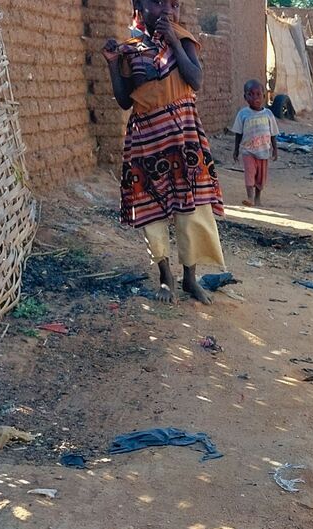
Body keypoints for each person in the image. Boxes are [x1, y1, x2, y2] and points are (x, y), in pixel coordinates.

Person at [102, 0, 224, 305]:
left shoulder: (183, 39)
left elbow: (194, 79)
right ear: (139, 7)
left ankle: (190, 279)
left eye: (175, 4)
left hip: (183, 139)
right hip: (147, 141)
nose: (168, 10)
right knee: (151, 210)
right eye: (158, 3)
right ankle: (166, 277)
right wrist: (112, 64)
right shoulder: (131, 50)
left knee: (191, 209)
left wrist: (173, 42)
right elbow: (124, 100)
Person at [231, 80, 279, 207]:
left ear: (264, 96)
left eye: (258, 94)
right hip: (248, 151)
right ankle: (250, 198)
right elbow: (238, 133)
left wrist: (275, 149)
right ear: (245, 97)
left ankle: (258, 197)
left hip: (263, 151)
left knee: (260, 178)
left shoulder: (268, 114)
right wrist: (236, 150)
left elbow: (273, 133)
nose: (255, 98)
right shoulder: (243, 114)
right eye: (251, 94)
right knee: (249, 174)